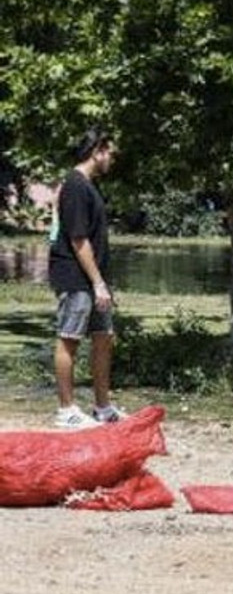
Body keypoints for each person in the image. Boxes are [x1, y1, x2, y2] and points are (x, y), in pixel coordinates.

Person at [47, 128, 126, 428]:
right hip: (76, 278)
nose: (112, 160)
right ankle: (66, 411)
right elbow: (79, 240)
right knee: (70, 339)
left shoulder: (89, 186)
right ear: (97, 151)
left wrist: (101, 282)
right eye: (111, 153)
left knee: (104, 338)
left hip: (95, 280)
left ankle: (102, 408)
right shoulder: (76, 186)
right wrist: (97, 282)